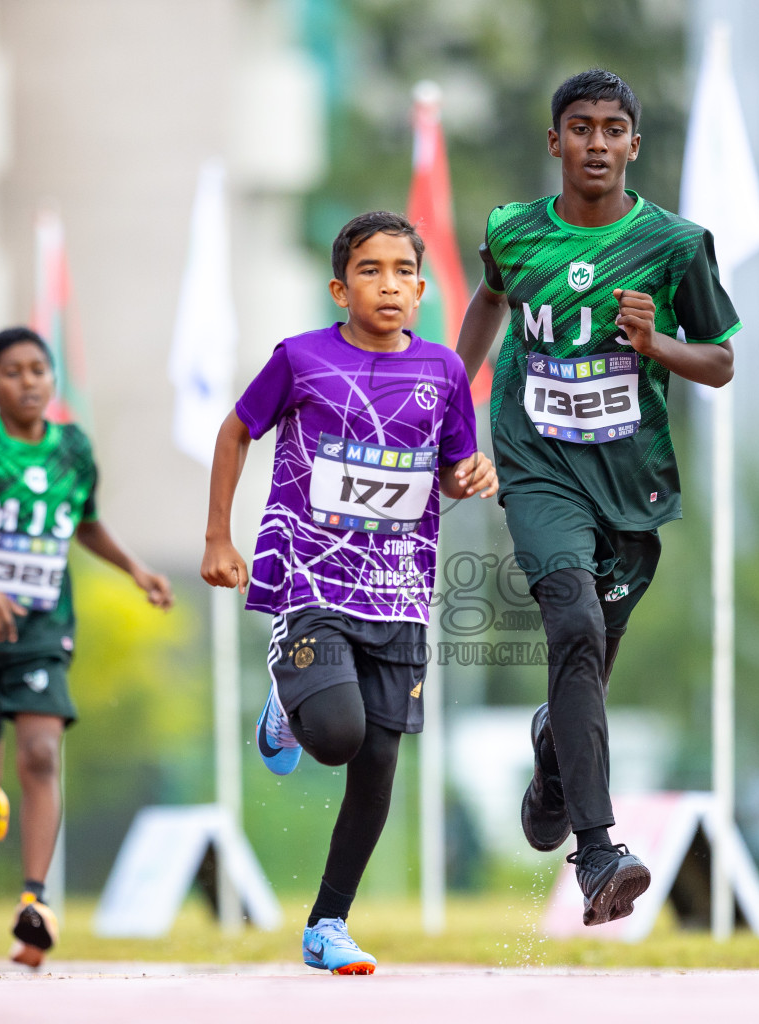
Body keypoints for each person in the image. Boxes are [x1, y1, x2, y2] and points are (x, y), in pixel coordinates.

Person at [455, 69, 740, 926]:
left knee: (588, 664)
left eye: (613, 129)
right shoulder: (513, 233)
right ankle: (598, 851)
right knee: (571, 626)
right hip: (536, 464)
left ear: (634, 146)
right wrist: (443, 410)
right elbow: (486, 309)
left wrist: (658, 342)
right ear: (556, 143)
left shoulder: (675, 244)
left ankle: (553, 758)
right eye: (580, 128)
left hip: (631, 482)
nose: (597, 143)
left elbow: (721, 360)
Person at [202, 211, 497, 974]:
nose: (388, 284)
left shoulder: (444, 374)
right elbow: (235, 432)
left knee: (377, 769)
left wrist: (473, 474)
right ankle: (293, 698)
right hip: (311, 577)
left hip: (398, 593)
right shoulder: (299, 360)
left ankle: (327, 926)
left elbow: (450, 475)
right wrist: (218, 537)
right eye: (370, 270)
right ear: (340, 287)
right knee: (337, 735)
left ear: (424, 289)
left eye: (403, 271)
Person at [0, 327, 172, 967]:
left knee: (43, 751)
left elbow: (84, 521)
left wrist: (135, 568)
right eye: (14, 372)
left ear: (53, 380)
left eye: (39, 370)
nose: (29, 382)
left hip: (44, 630)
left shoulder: (73, 450)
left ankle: (35, 903)